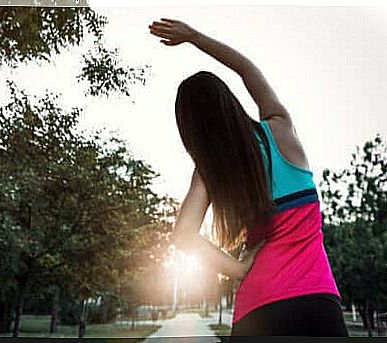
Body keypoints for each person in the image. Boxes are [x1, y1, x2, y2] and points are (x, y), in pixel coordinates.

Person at [148, 18, 349, 337]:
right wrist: (195, 37)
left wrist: (238, 268)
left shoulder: (210, 174)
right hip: (317, 304)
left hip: (258, 312)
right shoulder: (281, 128)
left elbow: (183, 235)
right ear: (230, 103)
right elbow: (246, 69)